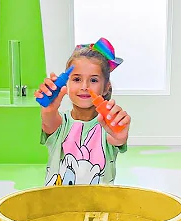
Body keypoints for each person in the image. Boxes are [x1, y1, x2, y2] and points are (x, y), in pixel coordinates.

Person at [35, 38, 130, 186]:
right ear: (67, 83)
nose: (84, 86)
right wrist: (48, 110)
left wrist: (119, 137)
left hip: (98, 207)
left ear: (106, 87)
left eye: (93, 80)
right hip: (58, 206)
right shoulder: (60, 124)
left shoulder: (109, 125)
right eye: (77, 79)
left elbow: (117, 139)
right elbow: (49, 121)